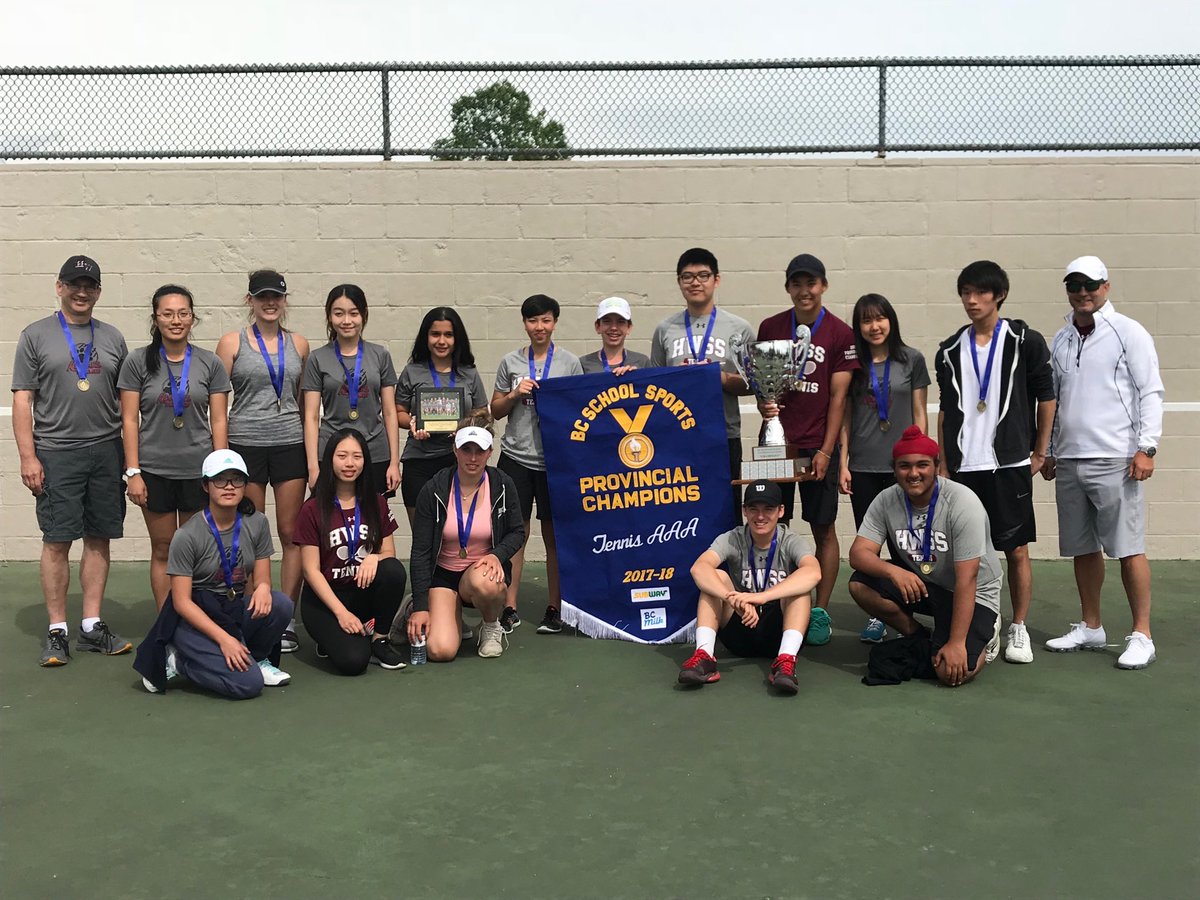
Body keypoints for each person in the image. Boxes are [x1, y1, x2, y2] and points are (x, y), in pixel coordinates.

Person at [1042, 256, 1165, 669]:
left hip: (1117, 458)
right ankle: (1091, 626)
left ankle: (1142, 634)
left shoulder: (1128, 332)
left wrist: (1146, 448)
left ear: (1106, 287)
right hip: (1071, 460)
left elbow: (1151, 392)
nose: (1083, 293)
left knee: (1128, 548)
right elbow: (1054, 403)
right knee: (1082, 547)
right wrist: (1051, 451)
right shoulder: (1060, 339)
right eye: (1074, 286)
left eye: (1090, 285)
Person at [13, 255, 133, 666]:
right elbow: (22, 399)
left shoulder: (114, 338)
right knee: (57, 540)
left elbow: (127, 403)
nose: (82, 292)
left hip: (105, 450)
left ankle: (91, 626)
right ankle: (57, 630)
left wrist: (128, 458)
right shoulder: (35, 335)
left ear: (98, 291)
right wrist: (28, 456)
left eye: (90, 285)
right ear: (59, 286)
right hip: (56, 452)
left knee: (99, 537)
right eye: (74, 284)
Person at [935, 260, 1055, 665]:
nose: (971, 300)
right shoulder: (950, 350)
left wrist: (1039, 451)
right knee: (969, 554)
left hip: (1008, 464)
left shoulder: (1025, 340)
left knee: (1015, 549)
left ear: (999, 295)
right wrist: (944, 462)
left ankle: (1018, 626)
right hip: (964, 467)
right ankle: (984, 627)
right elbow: (947, 410)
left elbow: (1046, 396)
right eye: (965, 292)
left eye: (980, 292)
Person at [847, 427, 1003, 688]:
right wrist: (894, 572)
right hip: (927, 585)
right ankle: (919, 636)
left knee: (950, 673)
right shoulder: (886, 500)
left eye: (922, 465)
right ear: (894, 469)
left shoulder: (962, 502)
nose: (914, 473)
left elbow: (968, 578)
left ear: (936, 466)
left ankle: (988, 633)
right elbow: (858, 554)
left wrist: (956, 644)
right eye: (904, 466)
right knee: (860, 584)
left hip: (974, 594)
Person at [756, 253, 858, 646]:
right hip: (776, 442)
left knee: (823, 528)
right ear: (788, 288)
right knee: (770, 526)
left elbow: (839, 398)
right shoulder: (770, 327)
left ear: (824, 286)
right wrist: (766, 404)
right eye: (797, 284)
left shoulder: (839, 333)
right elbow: (762, 382)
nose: (804, 291)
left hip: (818, 445)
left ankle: (820, 610)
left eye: (811, 283)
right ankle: (771, 603)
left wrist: (828, 451)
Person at [133, 449, 293, 698]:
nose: (229, 487)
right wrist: (224, 640)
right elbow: (181, 602)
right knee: (247, 685)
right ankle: (180, 661)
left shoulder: (257, 523)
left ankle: (257, 658)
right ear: (206, 486)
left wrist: (262, 587)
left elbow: (262, 577)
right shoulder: (187, 535)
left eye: (236, 479)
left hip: (232, 609)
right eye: (220, 480)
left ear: (245, 485)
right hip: (193, 620)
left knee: (281, 604)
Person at [120, 285, 231, 610]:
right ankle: (168, 625)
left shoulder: (209, 363)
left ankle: (199, 619)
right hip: (155, 471)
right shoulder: (138, 361)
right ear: (156, 318)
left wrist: (220, 471)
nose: (176, 320)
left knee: (199, 548)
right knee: (164, 548)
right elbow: (128, 420)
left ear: (192, 317)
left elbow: (219, 421)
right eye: (167, 314)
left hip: (198, 471)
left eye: (183, 313)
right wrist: (133, 472)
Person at [217, 269, 310, 652]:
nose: (270, 303)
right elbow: (218, 403)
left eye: (277, 296)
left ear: (285, 300)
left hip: (289, 444)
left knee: (290, 532)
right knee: (252, 533)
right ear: (250, 300)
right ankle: (253, 610)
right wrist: (222, 456)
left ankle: (284, 617)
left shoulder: (300, 344)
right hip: (245, 446)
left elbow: (308, 404)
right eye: (262, 296)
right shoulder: (231, 342)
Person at [837, 293, 930, 644]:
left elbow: (920, 413)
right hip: (864, 467)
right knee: (871, 544)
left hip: (905, 468)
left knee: (906, 541)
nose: (874, 326)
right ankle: (879, 612)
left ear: (890, 320)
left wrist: (926, 460)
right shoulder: (854, 367)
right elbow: (846, 418)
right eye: (866, 320)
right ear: (858, 328)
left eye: (880, 318)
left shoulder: (912, 360)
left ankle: (909, 604)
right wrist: (844, 463)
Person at [490, 294, 583, 635]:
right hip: (515, 457)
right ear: (524, 324)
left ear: (554, 322)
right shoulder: (510, 361)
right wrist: (515, 395)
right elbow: (495, 409)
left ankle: (554, 607)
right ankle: (509, 606)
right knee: (517, 534)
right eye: (532, 321)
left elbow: (578, 411)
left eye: (545, 320)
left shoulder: (570, 363)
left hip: (555, 462)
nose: (539, 327)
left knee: (553, 536)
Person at [677, 479, 821, 695]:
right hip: (741, 626)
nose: (760, 516)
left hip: (778, 631)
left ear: (781, 511)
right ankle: (705, 656)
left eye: (768, 509)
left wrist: (762, 597)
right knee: (716, 577)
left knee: (800, 588)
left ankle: (785, 661)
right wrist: (731, 598)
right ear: (744, 511)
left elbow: (813, 572)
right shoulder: (733, 538)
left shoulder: (791, 540)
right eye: (753, 509)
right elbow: (699, 568)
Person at [408, 417, 526, 661]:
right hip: (444, 575)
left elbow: (517, 532)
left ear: (490, 452)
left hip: (481, 572)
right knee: (441, 650)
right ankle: (424, 607)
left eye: (480, 451)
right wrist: (421, 606)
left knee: (488, 584)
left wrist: (497, 555)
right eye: (466, 450)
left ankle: (491, 626)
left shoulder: (503, 485)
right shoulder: (433, 489)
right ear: (455, 449)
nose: (473, 458)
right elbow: (420, 551)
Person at [649, 248, 753, 519]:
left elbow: (754, 384)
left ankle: (726, 563)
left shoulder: (739, 328)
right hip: (678, 435)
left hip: (723, 433)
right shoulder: (664, 329)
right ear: (679, 282)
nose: (695, 282)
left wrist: (718, 378)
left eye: (703, 275)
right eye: (688, 276)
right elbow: (654, 387)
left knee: (726, 509)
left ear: (716, 280)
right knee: (681, 510)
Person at [293, 429, 408, 674]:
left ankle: (380, 638)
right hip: (325, 600)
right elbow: (310, 571)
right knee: (354, 662)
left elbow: (390, 552)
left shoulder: (376, 503)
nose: (349, 463)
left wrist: (375, 558)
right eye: (342, 456)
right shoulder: (312, 509)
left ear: (365, 461)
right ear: (330, 460)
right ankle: (331, 637)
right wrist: (341, 614)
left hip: (361, 591)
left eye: (357, 456)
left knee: (392, 570)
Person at [302, 284, 400, 497]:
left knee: (373, 518)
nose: (346, 321)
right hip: (330, 451)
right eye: (339, 313)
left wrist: (394, 462)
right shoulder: (317, 358)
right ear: (329, 317)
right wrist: (313, 466)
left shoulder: (380, 355)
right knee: (331, 518)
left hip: (374, 450)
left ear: (364, 315)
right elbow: (310, 417)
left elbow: (390, 412)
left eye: (353, 313)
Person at [396, 307, 489, 525]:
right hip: (418, 461)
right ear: (425, 337)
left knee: (456, 530)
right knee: (423, 534)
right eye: (435, 334)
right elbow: (397, 411)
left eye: (448, 335)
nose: (441, 341)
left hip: (458, 460)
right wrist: (411, 423)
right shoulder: (412, 371)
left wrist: (464, 428)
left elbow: (483, 413)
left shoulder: (469, 372)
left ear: (457, 338)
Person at [579, 297, 651, 375]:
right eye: (607, 321)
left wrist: (636, 377)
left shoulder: (642, 362)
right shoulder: (583, 364)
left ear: (629, 327)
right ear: (597, 327)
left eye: (621, 322)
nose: (614, 328)